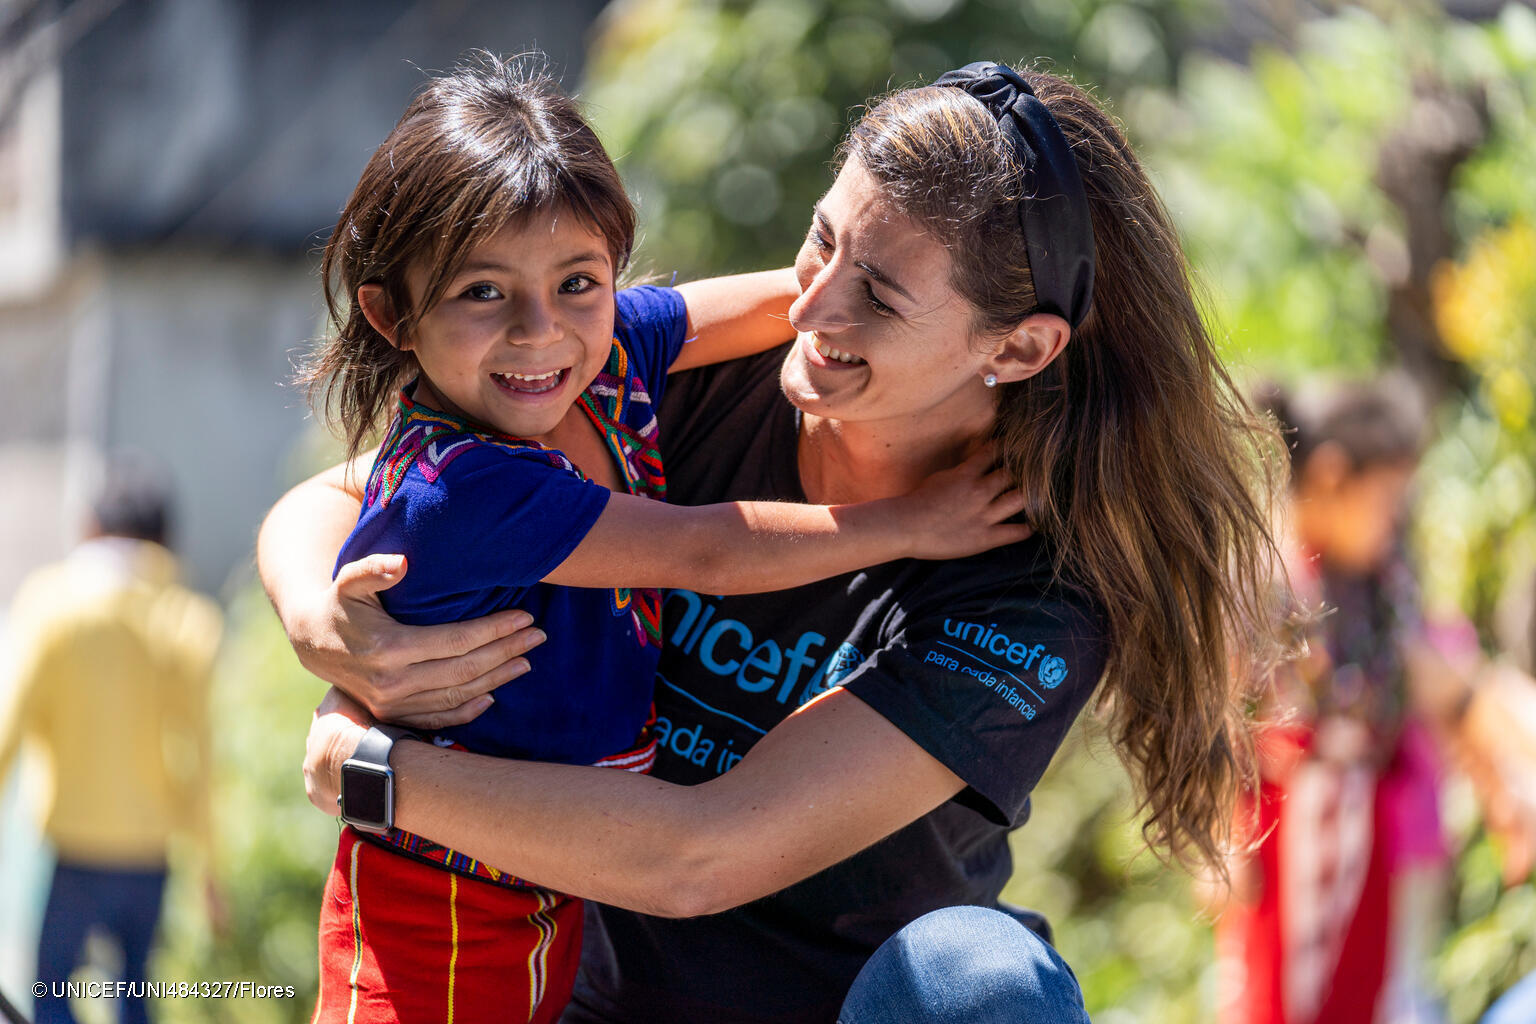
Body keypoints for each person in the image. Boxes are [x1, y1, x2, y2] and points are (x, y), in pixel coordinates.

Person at [263, 61, 1289, 1021]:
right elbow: (354, 494)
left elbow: (697, 859)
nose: (811, 304)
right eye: (822, 238)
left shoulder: (1030, 583)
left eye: (878, 295)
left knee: (983, 982)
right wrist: (325, 622)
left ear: (1017, 346)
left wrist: (371, 768)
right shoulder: (661, 386)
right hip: (579, 988)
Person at [1216, 376, 1536, 1024]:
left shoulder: (1383, 587)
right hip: (1281, 830)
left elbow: (1445, 690)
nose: (1394, 521)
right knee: (1276, 995)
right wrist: (1221, 839)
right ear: (1334, 479)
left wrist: (1504, 792)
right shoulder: (1264, 578)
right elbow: (1213, 716)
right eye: (1386, 501)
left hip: (1367, 829)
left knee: (1358, 995)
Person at [0, 456, 221, 1024]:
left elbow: (8, 728)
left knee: (50, 992)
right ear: (165, 539)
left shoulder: (50, 604)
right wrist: (211, 869)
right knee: (133, 994)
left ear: (90, 528)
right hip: (151, 850)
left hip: (72, 843)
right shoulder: (186, 617)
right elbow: (200, 755)